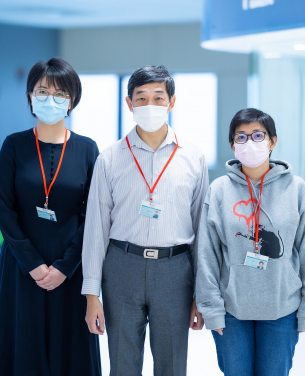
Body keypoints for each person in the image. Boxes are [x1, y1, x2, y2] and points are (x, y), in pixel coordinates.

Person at [82, 65, 209, 376]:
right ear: (129, 104)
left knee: (172, 366)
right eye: (141, 98)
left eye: (158, 97)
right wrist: (91, 295)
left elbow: (202, 229)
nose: (150, 105)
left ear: (172, 102)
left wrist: (201, 295)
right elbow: (95, 229)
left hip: (175, 271)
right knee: (123, 367)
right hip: (122, 268)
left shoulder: (193, 157)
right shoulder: (109, 158)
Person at [0, 57, 102, 376]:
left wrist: (65, 267)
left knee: (72, 349)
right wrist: (34, 265)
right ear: (29, 97)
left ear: (72, 100)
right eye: (41, 92)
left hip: (71, 268)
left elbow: (91, 215)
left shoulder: (87, 149)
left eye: (59, 94)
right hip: (21, 266)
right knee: (21, 345)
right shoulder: (13, 146)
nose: (49, 100)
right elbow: (4, 209)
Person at [196, 108, 305, 376]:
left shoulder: (296, 189)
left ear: (272, 141)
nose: (249, 143)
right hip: (231, 312)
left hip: (282, 310)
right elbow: (207, 255)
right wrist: (212, 309)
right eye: (240, 137)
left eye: (257, 135)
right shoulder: (219, 190)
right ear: (231, 144)